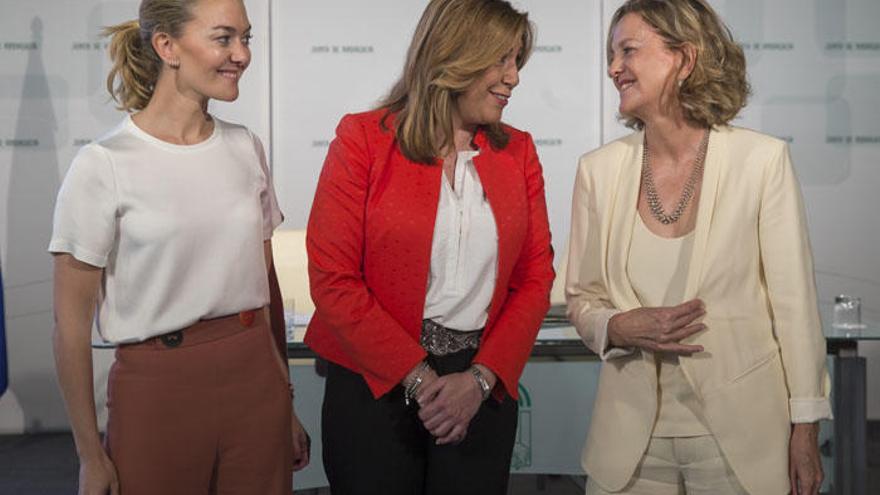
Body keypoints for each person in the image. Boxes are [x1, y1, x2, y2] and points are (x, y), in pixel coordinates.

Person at [565, 1, 831, 494]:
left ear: (684, 59)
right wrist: (618, 326)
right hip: (629, 445)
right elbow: (582, 298)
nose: (613, 68)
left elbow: (794, 310)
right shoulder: (597, 171)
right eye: (610, 54)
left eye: (628, 51)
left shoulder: (761, 161)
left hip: (742, 439)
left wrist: (806, 427)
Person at [50, 1, 309, 493]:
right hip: (157, 393)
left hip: (257, 379)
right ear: (167, 46)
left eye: (246, 38)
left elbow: (266, 285)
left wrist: (286, 404)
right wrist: (89, 455)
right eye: (224, 38)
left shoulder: (245, 146)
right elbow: (69, 326)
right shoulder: (103, 164)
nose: (241, 55)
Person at [304, 0, 555, 493]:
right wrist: (419, 379)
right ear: (454, 54)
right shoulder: (362, 140)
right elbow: (333, 280)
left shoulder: (517, 151)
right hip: (373, 386)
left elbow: (536, 277)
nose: (514, 78)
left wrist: (479, 381)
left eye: (517, 62)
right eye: (501, 60)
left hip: (478, 391)